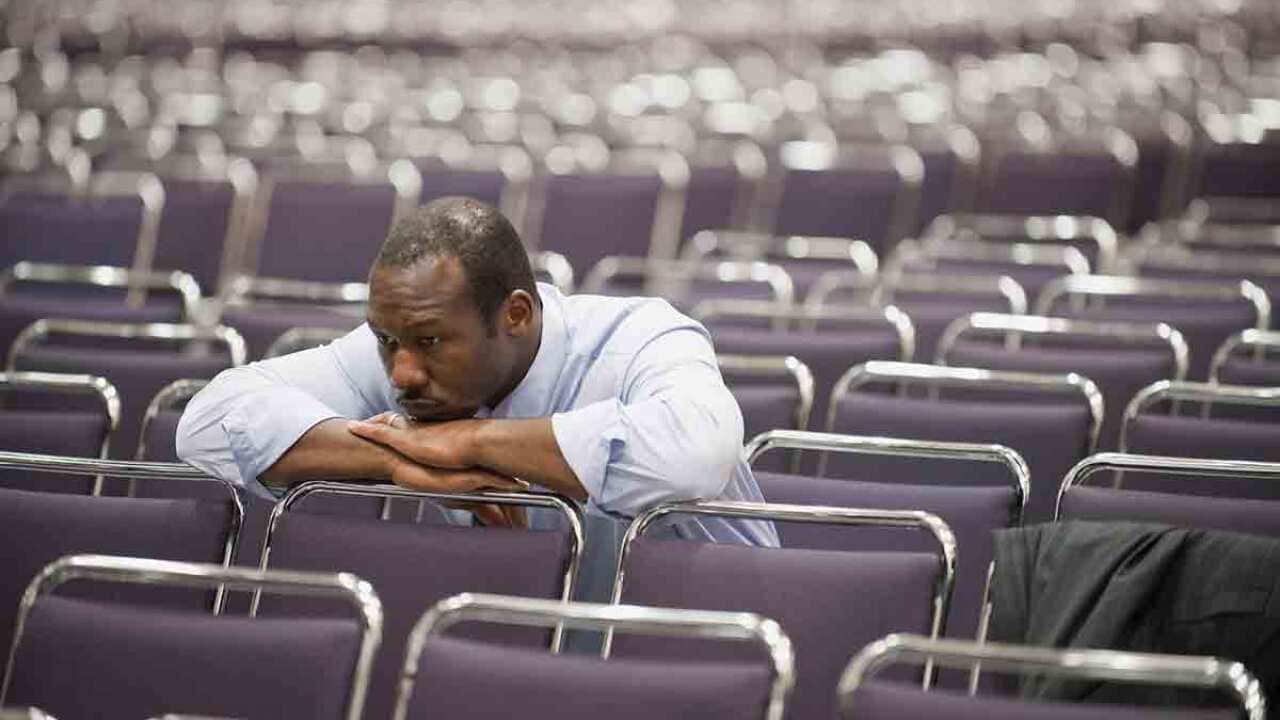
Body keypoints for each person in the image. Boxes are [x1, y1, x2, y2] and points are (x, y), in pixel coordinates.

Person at [177, 196, 778, 603]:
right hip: (516, 662)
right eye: (389, 341)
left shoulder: (641, 336)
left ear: (515, 314)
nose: (404, 373)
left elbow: (693, 452)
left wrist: (471, 442)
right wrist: (395, 459)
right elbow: (205, 426)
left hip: (709, 651)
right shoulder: (400, 349)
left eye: (431, 342)